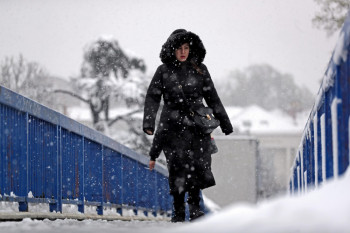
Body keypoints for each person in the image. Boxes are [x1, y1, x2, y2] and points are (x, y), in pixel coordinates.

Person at [143, 29, 233, 222]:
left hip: (197, 127)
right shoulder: (163, 71)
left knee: (198, 167)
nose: (183, 52)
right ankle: (178, 212)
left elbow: (212, 97)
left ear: (191, 49)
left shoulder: (200, 69)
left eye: (186, 48)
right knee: (177, 169)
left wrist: (225, 123)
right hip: (172, 127)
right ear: (172, 50)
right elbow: (152, 97)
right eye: (179, 48)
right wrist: (149, 123)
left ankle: (195, 210)